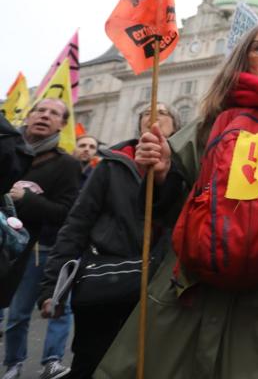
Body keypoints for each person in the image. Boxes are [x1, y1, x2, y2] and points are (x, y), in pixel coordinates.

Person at [95, 23, 258, 379]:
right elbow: (169, 204)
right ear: (243, 58)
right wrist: (165, 172)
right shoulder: (208, 124)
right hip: (197, 291)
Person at [37, 104, 180, 378]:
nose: (153, 113)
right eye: (147, 111)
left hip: (159, 287)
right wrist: (52, 287)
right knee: (92, 363)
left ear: (175, 125)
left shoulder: (183, 169)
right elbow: (78, 223)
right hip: (107, 282)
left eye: (162, 111)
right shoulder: (112, 164)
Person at [1, 99, 81, 379]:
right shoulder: (8, 150)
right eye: (40, 110)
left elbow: (65, 212)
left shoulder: (67, 165)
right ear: (29, 115)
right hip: (4, 246)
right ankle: (13, 362)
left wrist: (27, 199)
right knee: (12, 312)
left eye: (54, 114)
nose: (45, 116)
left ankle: (34, 362)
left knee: (36, 310)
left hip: (39, 249)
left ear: (62, 124)